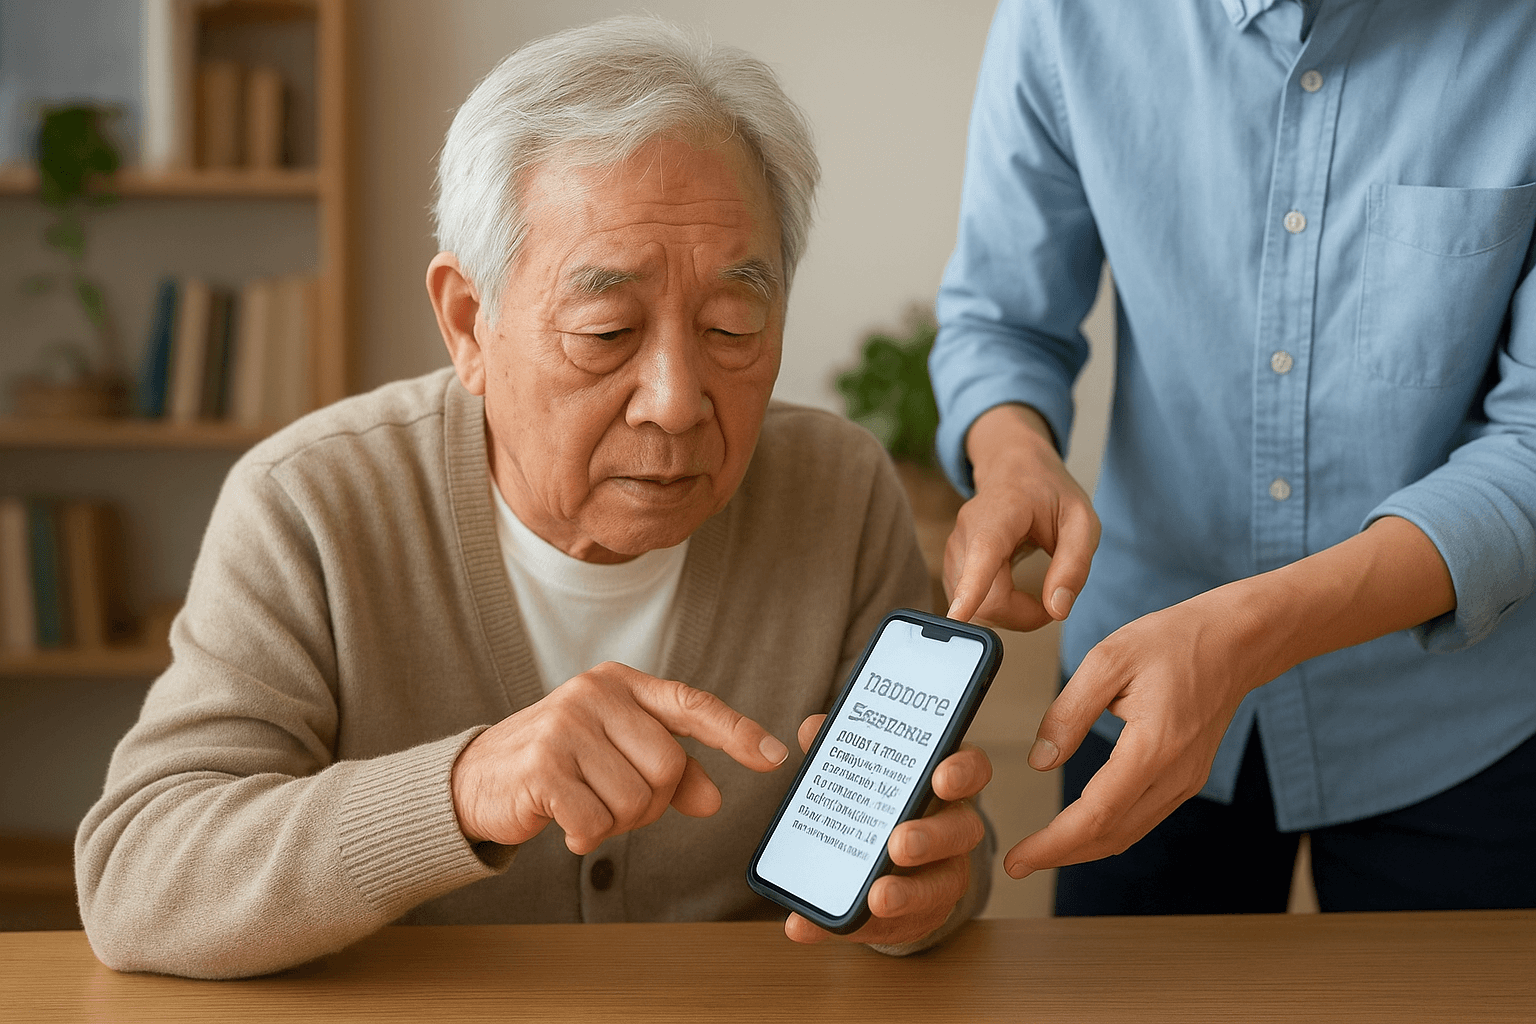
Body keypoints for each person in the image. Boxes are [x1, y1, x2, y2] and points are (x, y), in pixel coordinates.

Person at [76, 17, 994, 979]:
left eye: (733, 325)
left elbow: (934, 858)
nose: (678, 402)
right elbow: (138, 881)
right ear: (469, 323)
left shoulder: (839, 491)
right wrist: (463, 789)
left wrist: (923, 896)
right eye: (606, 331)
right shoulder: (308, 505)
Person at [931, 0, 1536, 914]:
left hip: (1456, 722)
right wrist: (1015, 455)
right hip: (1135, 668)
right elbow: (1001, 321)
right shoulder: (1062, 17)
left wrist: (1244, 635)